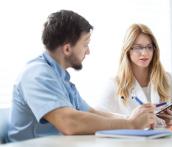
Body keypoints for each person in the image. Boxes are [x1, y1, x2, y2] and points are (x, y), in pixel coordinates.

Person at [7, 11, 155, 142]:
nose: (88, 51)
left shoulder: (60, 78)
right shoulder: (37, 74)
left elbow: (90, 113)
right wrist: (130, 125)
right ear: (67, 48)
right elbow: (69, 122)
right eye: (85, 44)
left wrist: (133, 118)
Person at [96, 24, 172, 128]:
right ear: (127, 50)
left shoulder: (170, 80)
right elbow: (97, 116)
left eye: (149, 47)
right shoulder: (115, 83)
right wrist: (130, 119)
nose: (144, 53)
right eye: (138, 47)